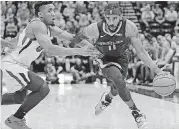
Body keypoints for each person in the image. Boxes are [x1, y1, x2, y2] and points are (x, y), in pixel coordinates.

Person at [69, 2, 166, 129]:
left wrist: (157, 70)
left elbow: (141, 52)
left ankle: (107, 98)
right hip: (104, 58)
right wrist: (85, 48)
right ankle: (136, 112)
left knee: (118, 86)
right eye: (108, 18)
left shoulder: (129, 27)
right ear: (104, 17)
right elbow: (76, 38)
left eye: (114, 18)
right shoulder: (95, 28)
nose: (111, 22)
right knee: (118, 80)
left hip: (122, 57)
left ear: (120, 17)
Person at [1, 2, 97, 129]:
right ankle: (15, 119)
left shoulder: (49, 28)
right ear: (40, 14)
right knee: (42, 88)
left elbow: (72, 37)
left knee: (19, 98)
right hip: (12, 63)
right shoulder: (37, 25)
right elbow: (50, 50)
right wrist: (78, 51)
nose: (53, 13)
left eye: (54, 10)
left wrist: (92, 48)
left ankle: (16, 118)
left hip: (19, 64)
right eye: (49, 10)